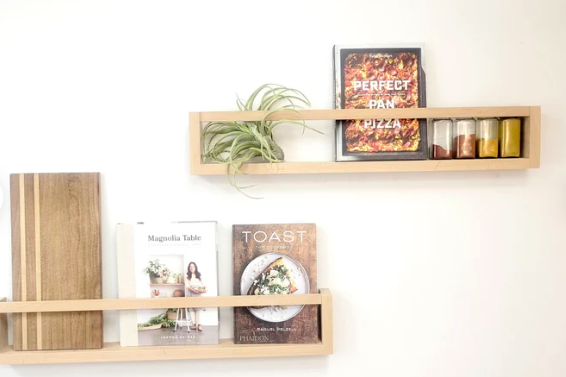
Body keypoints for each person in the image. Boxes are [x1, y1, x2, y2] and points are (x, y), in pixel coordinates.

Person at [185, 261, 206, 331]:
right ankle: (193, 324)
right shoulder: (187, 276)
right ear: (189, 268)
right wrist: (193, 290)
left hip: (198, 294)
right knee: (192, 310)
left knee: (198, 310)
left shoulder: (198, 275)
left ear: (195, 267)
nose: (192, 268)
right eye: (190, 267)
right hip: (191, 294)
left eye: (193, 266)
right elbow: (187, 285)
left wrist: (204, 289)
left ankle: (199, 325)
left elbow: (203, 285)